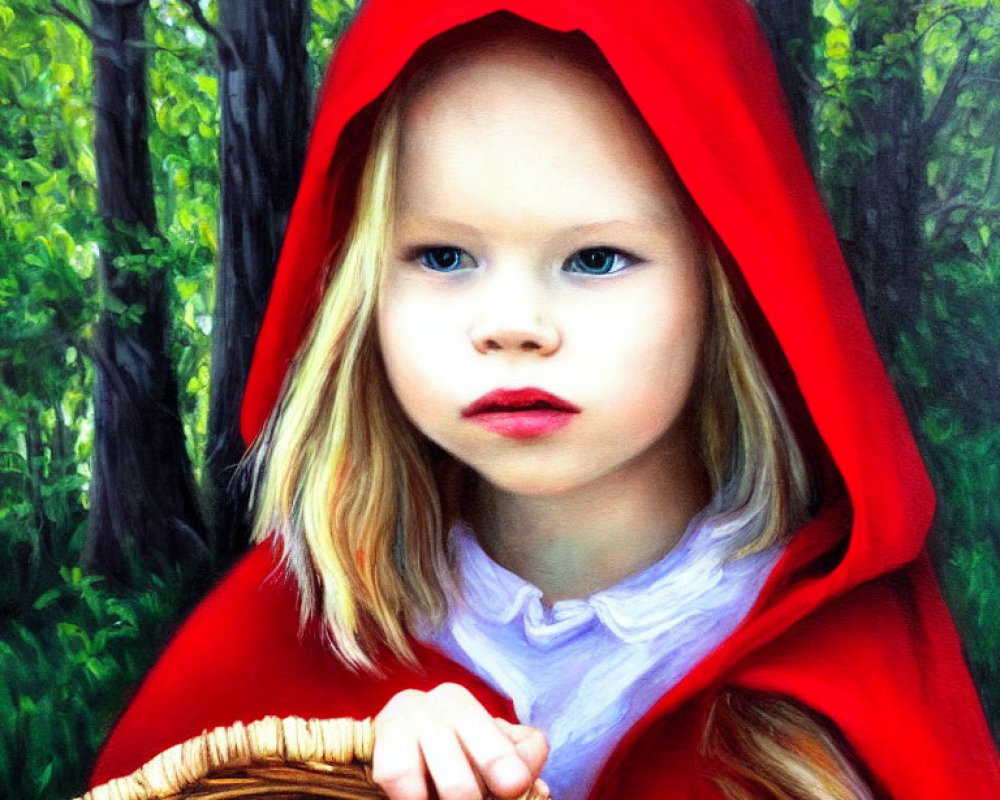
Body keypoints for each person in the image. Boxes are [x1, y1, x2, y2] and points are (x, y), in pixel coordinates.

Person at [89, 1, 1000, 798]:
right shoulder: (288, 635)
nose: (514, 326)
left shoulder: (847, 660)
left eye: (595, 258)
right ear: (361, 292)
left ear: (727, 281)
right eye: (444, 256)